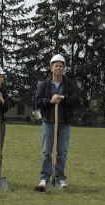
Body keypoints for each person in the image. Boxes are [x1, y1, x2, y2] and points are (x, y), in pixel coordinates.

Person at [35, 54, 79, 188]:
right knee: (46, 152)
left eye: (61, 66)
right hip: (48, 122)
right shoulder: (44, 84)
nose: (58, 68)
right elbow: (37, 101)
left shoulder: (70, 84)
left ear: (64, 69)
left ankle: (60, 178)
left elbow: (76, 100)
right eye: (56, 66)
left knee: (62, 152)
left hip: (64, 122)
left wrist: (63, 98)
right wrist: (50, 101)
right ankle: (44, 178)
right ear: (51, 68)